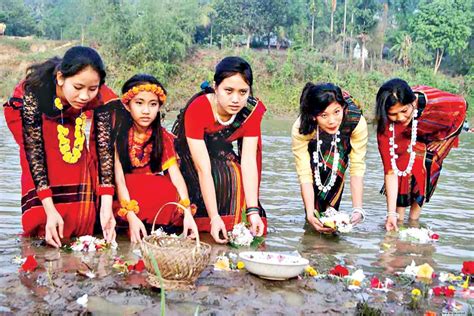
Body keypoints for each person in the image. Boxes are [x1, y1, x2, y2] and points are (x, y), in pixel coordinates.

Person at [3, 46, 118, 248]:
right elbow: (34, 152)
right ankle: (43, 227)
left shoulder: (99, 97)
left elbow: (103, 147)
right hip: (35, 120)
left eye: (92, 89)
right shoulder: (32, 92)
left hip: (72, 114)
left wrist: (106, 206)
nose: (84, 96)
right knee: (52, 157)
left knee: (79, 162)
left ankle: (79, 230)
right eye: (78, 87)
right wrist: (49, 208)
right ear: (60, 78)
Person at [172, 56, 266, 244]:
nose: (235, 99)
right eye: (228, 91)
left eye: (243, 92)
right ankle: (207, 225)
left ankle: (236, 227)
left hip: (222, 152)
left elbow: (248, 161)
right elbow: (203, 168)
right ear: (216, 87)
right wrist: (215, 218)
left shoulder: (251, 112)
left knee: (237, 177)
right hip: (191, 154)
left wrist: (253, 211)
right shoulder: (198, 108)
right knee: (218, 178)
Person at [113, 74, 199, 242]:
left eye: (152, 105)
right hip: (126, 195)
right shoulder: (117, 135)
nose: (146, 111)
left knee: (166, 189)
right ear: (127, 105)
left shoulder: (163, 137)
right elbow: (119, 181)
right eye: (139, 103)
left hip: (153, 198)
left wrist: (187, 211)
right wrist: (129, 213)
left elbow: (175, 176)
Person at [375, 78, 467, 231]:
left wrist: (444, 138)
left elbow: (461, 106)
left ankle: (414, 222)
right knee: (402, 166)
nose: (400, 118)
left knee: (427, 163)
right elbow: (390, 171)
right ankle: (398, 221)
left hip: (437, 135)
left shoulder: (433, 102)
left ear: (413, 102)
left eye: (404, 111)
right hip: (406, 135)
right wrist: (390, 214)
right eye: (393, 114)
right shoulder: (386, 129)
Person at [291, 82, 368, 233]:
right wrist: (309, 213)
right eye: (324, 115)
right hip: (315, 146)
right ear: (313, 116)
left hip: (342, 141)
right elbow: (304, 173)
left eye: (336, 112)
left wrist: (358, 209)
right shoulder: (301, 127)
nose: (332, 121)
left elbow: (357, 166)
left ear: (344, 108)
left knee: (335, 166)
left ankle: (332, 214)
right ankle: (313, 220)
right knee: (313, 209)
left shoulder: (356, 121)